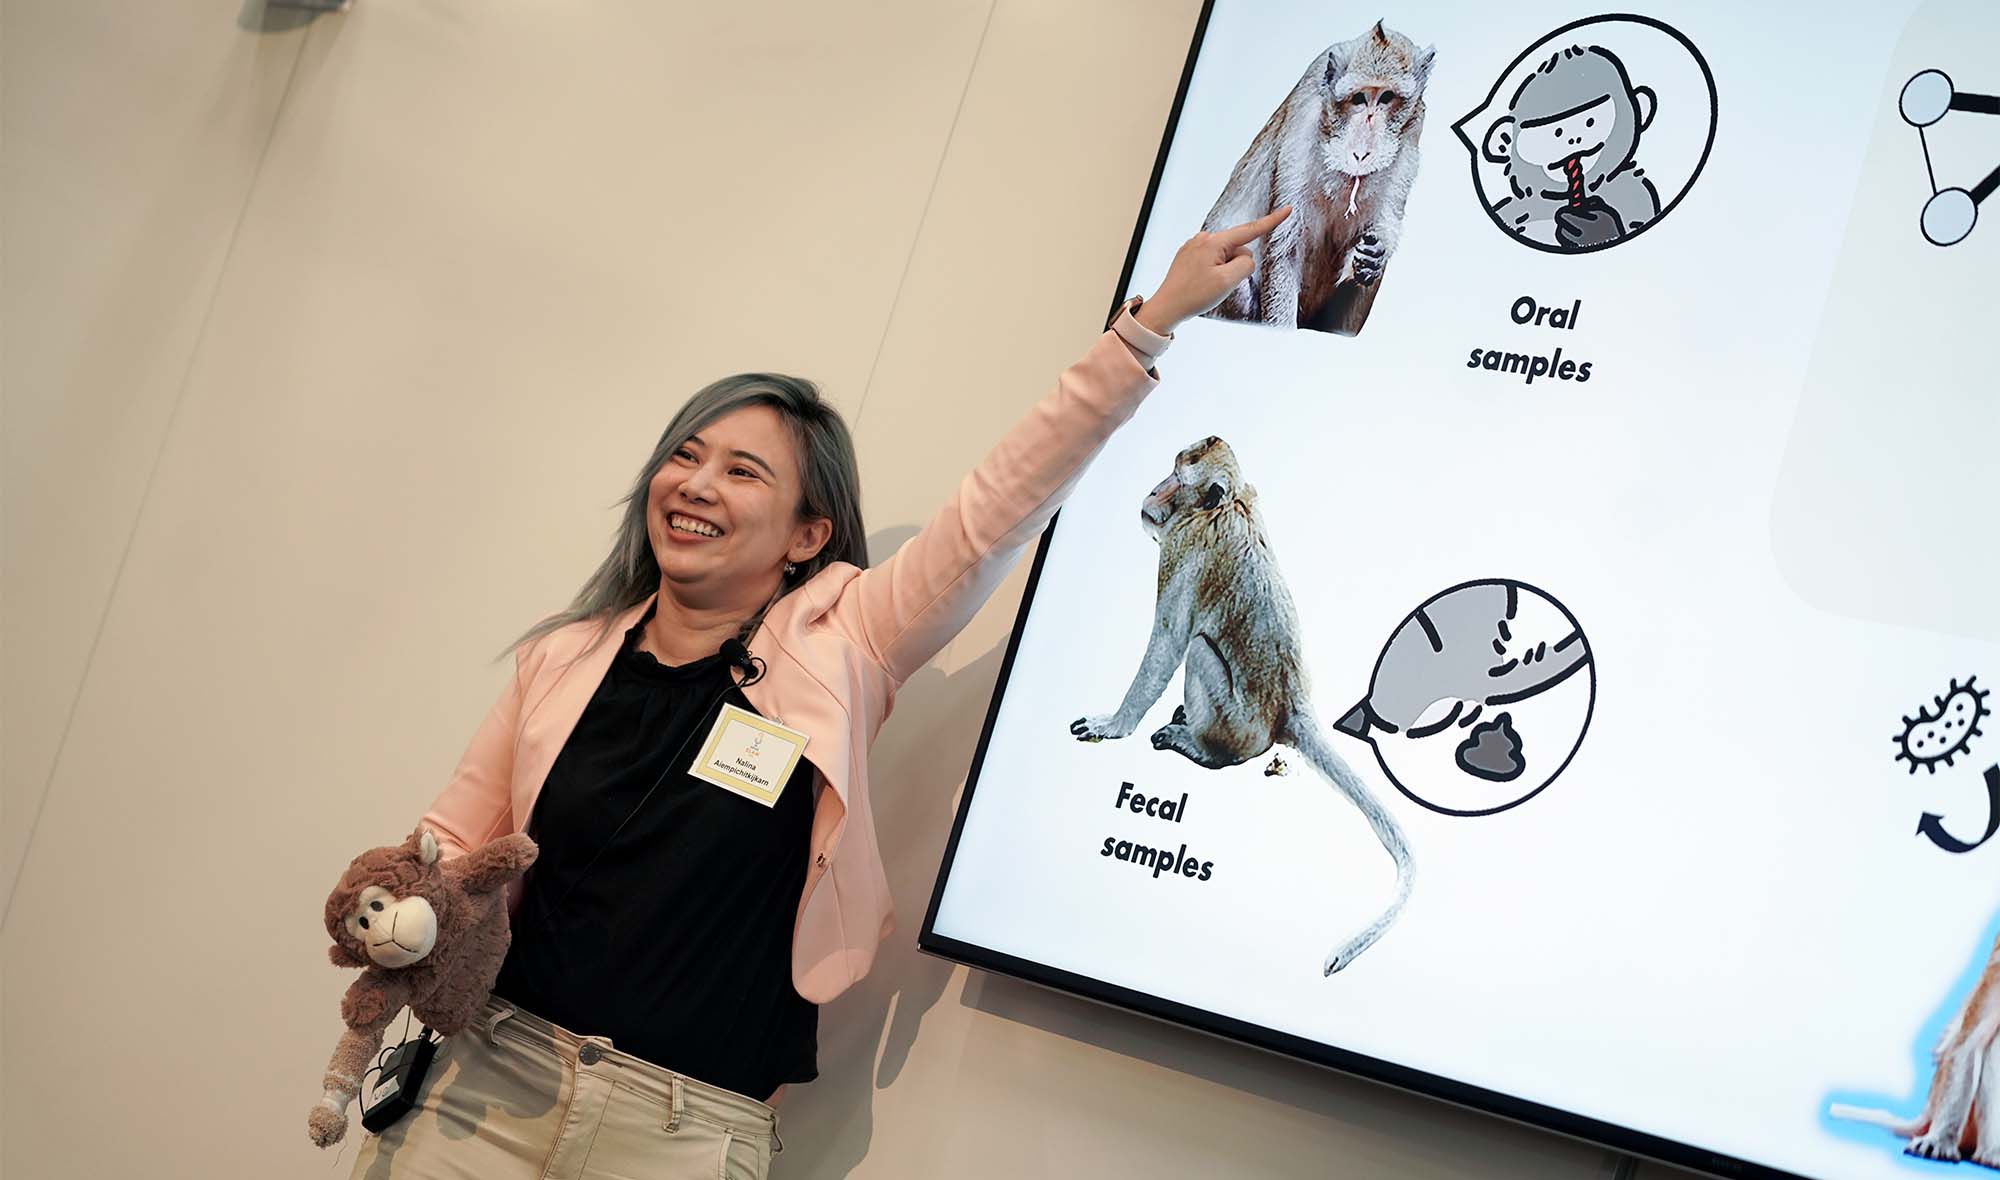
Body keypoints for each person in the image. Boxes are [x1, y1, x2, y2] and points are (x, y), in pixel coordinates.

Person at [345, 206, 1291, 1179]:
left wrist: (1145, 327)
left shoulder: (851, 641)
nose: (697, 484)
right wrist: (399, 904)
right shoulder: (562, 659)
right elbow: (449, 847)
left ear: (806, 533)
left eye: (741, 470)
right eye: (685, 456)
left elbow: (994, 510)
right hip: (485, 1092)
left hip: (680, 1135)